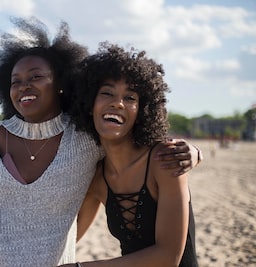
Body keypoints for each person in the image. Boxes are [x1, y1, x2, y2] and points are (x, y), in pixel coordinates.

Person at [0, 18, 200, 267]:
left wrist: (194, 153)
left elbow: (134, 146)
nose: (24, 86)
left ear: (61, 85)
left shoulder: (86, 142)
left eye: (35, 77)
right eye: (16, 81)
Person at [62, 42, 199, 267]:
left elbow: (168, 257)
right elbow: (68, 238)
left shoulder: (164, 160)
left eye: (130, 98)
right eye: (107, 93)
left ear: (143, 111)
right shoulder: (97, 177)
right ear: (89, 104)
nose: (117, 103)